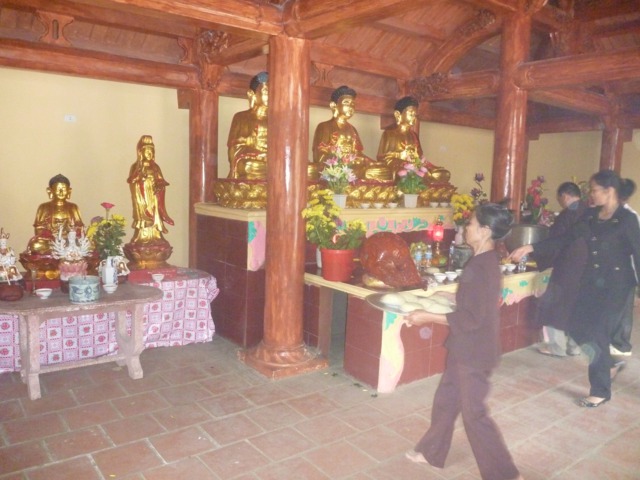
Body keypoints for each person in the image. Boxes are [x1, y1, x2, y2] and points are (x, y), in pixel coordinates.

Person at [404, 203, 523, 480]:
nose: (465, 227)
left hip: (474, 351)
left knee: (474, 415)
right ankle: (432, 452)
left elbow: (471, 318)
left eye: (470, 223)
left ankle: (505, 474)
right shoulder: (482, 261)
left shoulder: (483, 266)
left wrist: (428, 316)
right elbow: (475, 303)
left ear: (485, 231)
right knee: (447, 400)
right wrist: (449, 297)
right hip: (464, 346)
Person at [510, 170, 640, 407]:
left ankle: (600, 390)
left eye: (594, 190)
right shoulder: (590, 215)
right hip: (591, 281)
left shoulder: (626, 219)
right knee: (576, 326)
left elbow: (638, 254)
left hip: (616, 285)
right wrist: (531, 248)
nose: (591, 194)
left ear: (609, 191)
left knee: (597, 331)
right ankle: (608, 363)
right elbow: (566, 238)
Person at [534, 181, 587, 357]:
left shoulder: (567, 214)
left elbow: (555, 242)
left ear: (564, 196)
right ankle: (575, 346)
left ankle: (557, 347)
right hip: (586, 268)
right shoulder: (590, 212)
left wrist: (539, 261)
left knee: (556, 306)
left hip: (567, 268)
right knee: (577, 306)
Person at [311, 85, 392, 182]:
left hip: (353, 168)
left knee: (383, 171)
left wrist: (371, 162)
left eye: (353, 104)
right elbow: (319, 155)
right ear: (333, 105)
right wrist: (341, 160)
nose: (351, 107)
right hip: (336, 168)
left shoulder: (352, 129)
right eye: (346, 103)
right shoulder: (324, 126)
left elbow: (358, 154)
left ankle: (358, 176)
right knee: (311, 169)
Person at [376, 96, 452, 184]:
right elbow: (384, 159)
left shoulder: (413, 135)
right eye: (411, 114)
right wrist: (406, 164)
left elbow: (419, 158)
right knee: (404, 174)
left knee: (443, 174)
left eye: (415, 115)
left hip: (415, 168)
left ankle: (421, 179)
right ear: (398, 114)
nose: (414, 117)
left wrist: (426, 167)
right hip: (399, 169)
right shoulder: (389, 134)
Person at [610, 178, 639, 356]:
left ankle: (622, 345)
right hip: (612, 271)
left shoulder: (630, 217)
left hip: (627, 270)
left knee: (623, 310)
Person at [127, 135, 174, 243]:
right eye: (147, 151)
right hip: (142, 195)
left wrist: (159, 185)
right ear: (141, 152)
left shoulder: (155, 167)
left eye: (151, 151)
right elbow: (132, 180)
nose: (149, 153)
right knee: (143, 213)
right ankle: (141, 236)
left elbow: (161, 180)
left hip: (153, 195)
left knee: (155, 212)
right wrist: (140, 177)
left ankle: (156, 235)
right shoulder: (136, 167)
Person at [26, 174, 84, 255]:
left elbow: (80, 228)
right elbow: (38, 229)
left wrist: (69, 234)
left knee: (90, 244)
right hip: (50, 241)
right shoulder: (43, 207)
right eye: (58, 189)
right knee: (35, 245)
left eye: (64, 189)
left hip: (69, 241)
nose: (61, 192)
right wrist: (53, 236)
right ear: (50, 191)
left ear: (69, 191)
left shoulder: (73, 207)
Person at [227, 71, 268, 180]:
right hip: (254, 161)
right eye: (266, 91)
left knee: (308, 169)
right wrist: (250, 142)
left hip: (276, 162)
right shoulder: (241, 117)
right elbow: (233, 147)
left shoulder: (279, 120)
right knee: (248, 166)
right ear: (252, 94)